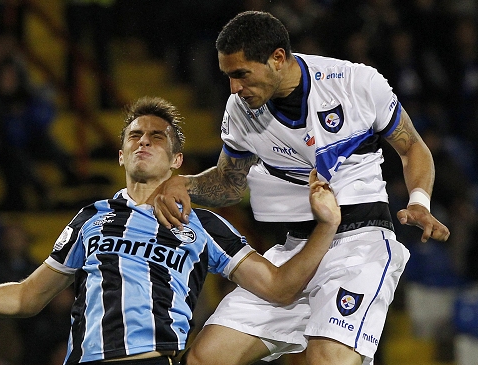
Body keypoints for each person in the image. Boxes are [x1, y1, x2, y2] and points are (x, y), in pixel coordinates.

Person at [0, 96, 341, 364]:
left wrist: (328, 225)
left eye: (156, 137)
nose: (143, 142)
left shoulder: (205, 224)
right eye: (134, 136)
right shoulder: (92, 218)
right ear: (121, 153)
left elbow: (280, 288)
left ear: (178, 159)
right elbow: (26, 296)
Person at [150, 11, 451, 365]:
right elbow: (229, 183)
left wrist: (420, 200)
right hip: (296, 252)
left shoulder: (355, 83)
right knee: (205, 357)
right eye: (228, 77)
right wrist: (184, 184)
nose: (234, 88)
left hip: (360, 245)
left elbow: (412, 145)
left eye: (241, 75)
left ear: (278, 58)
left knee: (326, 359)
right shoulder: (240, 110)